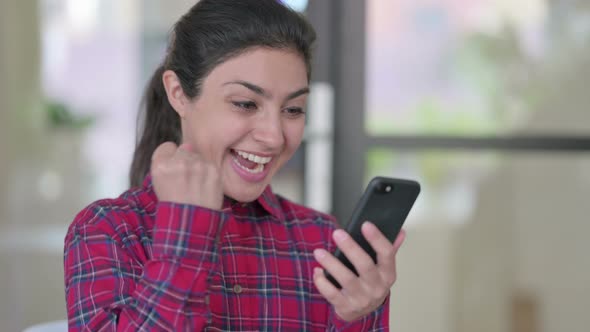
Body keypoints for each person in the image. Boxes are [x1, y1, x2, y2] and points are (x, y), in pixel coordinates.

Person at [63, 0, 406, 330]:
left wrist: (358, 317)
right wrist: (185, 233)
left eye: (293, 109)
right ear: (179, 93)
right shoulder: (109, 232)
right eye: (245, 103)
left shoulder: (321, 242)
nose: (273, 136)